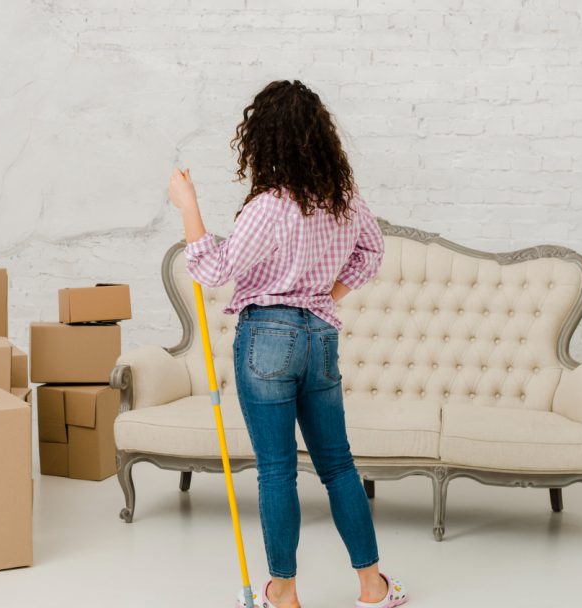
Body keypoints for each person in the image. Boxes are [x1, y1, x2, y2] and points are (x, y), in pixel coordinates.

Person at [167, 80, 408, 608]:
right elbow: (372, 251)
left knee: (277, 469)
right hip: (320, 336)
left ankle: (283, 592)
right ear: (320, 137)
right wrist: (327, 292)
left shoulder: (270, 206)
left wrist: (188, 205)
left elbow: (214, 269)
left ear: (263, 139)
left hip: (267, 340)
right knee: (339, 465)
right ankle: (372, 587)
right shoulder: (344, 200)